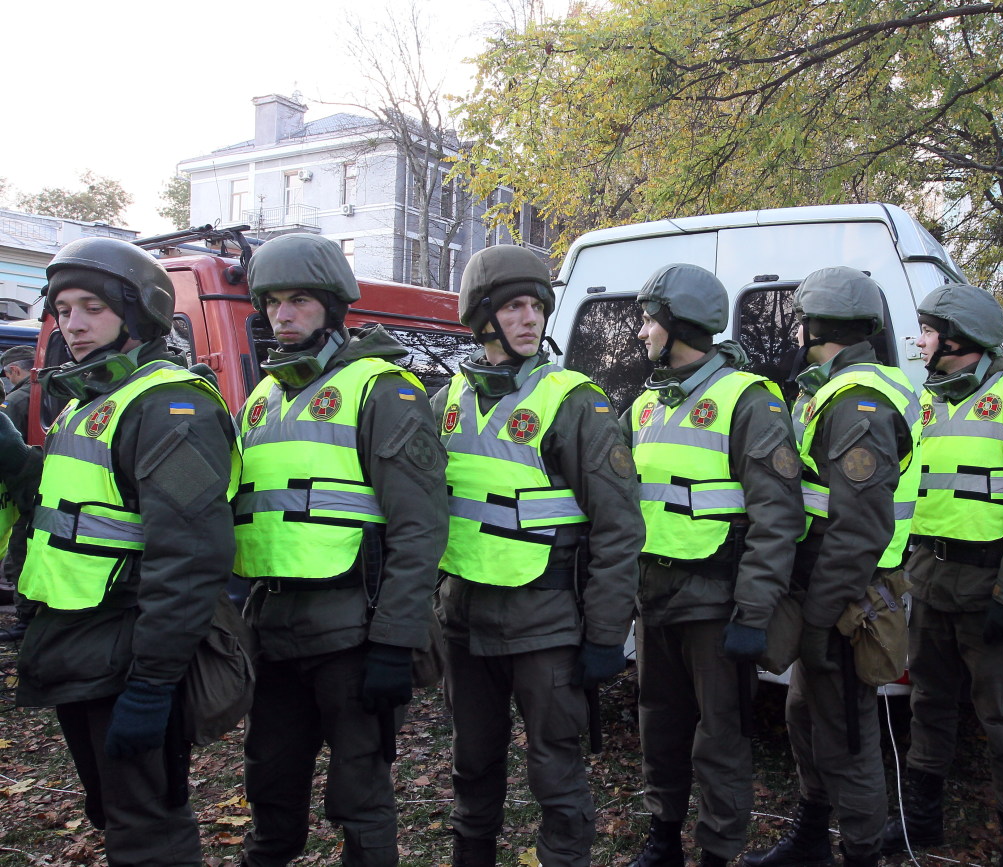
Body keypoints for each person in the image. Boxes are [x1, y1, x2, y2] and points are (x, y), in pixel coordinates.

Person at [15, 237, 237, 865]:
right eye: (63, 309)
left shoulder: (172, 407)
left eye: (92, 307)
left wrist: (154, 683)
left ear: (136, 315)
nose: (74, 324)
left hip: (130, 654)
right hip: (80, 644)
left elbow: (190, 558)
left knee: (149, 828)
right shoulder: (88, 402)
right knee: (114, 812)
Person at [234, 233, 447, 867]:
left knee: (359, 794)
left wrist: (394, 640)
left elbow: (420, 528)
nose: (283, 316)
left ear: (331, 306)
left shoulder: (384, 390)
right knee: (269, 787)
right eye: (272, 303)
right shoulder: (262, 398)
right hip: (272, 630)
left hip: (352, 635)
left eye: (299, 300)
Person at [434, 244, 641, 867]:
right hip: (463, 619)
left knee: (555, 768)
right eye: (513, 307)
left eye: (536, 307)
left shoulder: (574, 400)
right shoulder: (451, 398)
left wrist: (606, 634)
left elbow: (619, 526)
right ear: (482, 317)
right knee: (472, 760)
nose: (530, 319)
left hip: (545, 622)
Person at [882, 284, 1003, 867]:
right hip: (932, 583)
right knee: (930, 707)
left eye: (927, 330)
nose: (919, 342)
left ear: (958, 337)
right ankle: (922, 820)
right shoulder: (931, 399)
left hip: (992, 590)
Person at [741, 268, 920, 867]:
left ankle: (862, 852)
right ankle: (812, 836)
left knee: (847, 735)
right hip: (825, 587)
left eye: (801, 318)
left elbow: (862, 524)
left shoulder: (858, 400)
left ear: (818, 323)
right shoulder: (831, 388)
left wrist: (819, 614)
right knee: (806, 720)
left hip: (846, 599)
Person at [628, 263, 804, 867]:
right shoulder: (646, 404)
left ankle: (718, 851)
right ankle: (664, 837)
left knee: (721, 737)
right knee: (659, 725)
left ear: (678, 325)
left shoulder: (748, 400)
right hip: (655, 598)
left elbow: (779, 519)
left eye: (650, 320)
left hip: (716, 602)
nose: (642, 332)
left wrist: (753, 612)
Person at [0, 344, 35, 638]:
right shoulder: (50, 389)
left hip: (23, 495)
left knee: (19, 559)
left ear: (13, 370)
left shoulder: (15, 401)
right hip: (37, 493)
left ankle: (26, 620)